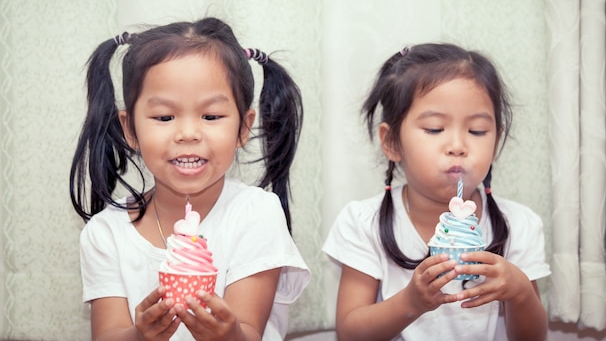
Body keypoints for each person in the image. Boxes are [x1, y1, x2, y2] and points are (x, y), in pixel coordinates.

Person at [70, 17, 310, 341]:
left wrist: (230, 335)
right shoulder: (106, 234)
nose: (187, 134)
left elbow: (250, 332)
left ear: (243, 127)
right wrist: (139, 336)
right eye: (164, 117)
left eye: (211, 116)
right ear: (130, 129)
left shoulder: (256, 214)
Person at [323, 43, 550, 341]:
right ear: (391, 142)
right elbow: (350, 334)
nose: (457, 146)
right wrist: (410, 303)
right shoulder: (364, 223)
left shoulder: (518, 225)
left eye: (477, 131)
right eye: (434, 129)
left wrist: (520, 292)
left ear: (496, 141)